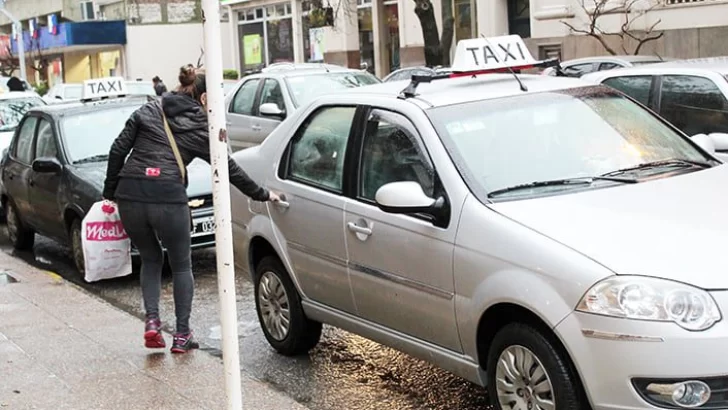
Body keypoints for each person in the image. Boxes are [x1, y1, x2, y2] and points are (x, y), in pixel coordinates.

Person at [103, 64, 280, 353]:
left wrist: (109, 193)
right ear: (203, 98)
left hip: (130, 195)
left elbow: (117, 150)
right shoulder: (200, 125)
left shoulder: (147, 110)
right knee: (181, 264)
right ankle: (182, 335)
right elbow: (228, 168)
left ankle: (151, 323)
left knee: (150, 259)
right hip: (167, 197)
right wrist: (262, 194)